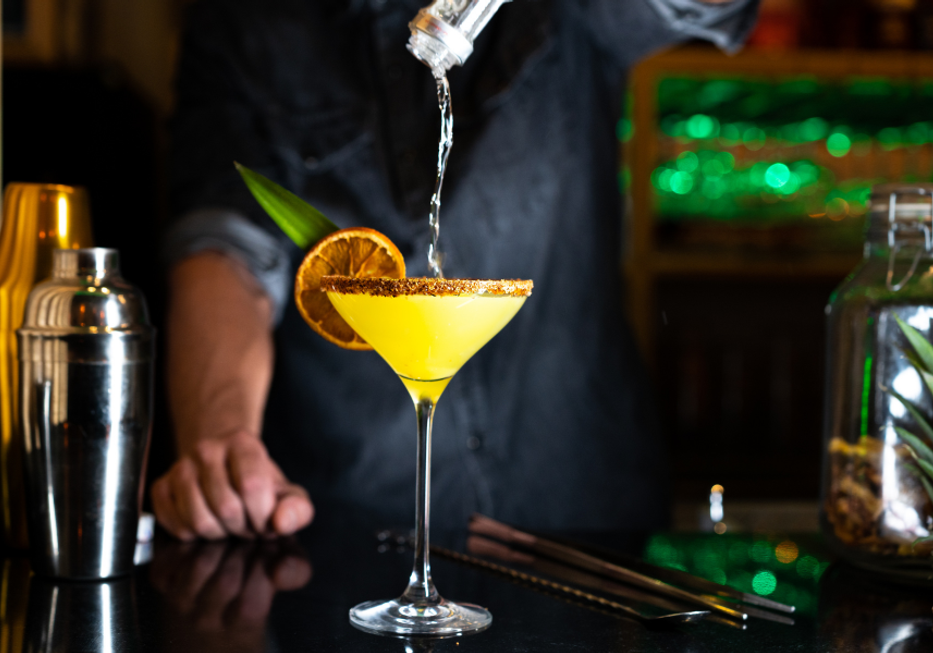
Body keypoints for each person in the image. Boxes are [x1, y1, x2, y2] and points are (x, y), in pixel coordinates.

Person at [152, 0, 758, 541]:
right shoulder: (244, 24)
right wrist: (225, 437)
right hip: (352, 526)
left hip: (583, 507)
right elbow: (224, 247)